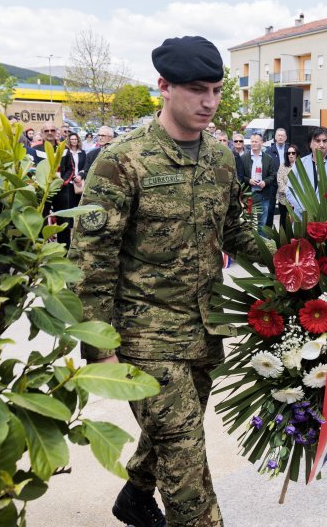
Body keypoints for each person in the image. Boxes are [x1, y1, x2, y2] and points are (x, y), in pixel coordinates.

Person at [69, 35, 263, 527]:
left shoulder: (221, 159)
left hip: (204, 328)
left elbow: (237, 230)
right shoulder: (122, 160)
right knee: (185, 454)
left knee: (175, 430)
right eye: (198, 89)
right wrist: (100, 348)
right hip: (144, 335)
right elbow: (91, 261)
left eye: (217, 90)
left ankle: (134, 497)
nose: (210, 102)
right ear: (164, 86)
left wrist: (298, 261)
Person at [286, 127, 327, 217]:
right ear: (310, 144)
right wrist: (304, 210)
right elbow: (289, 190)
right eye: (317, 141)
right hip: (302, 217)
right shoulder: (300, 164)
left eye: (325, 141)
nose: (322, 145)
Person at [239, 130, 276, 233]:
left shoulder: (268, 158)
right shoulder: (243, 158)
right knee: (248, 221)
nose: (254, 144)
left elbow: (273, 175)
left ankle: (262, 245)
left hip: (263, 194)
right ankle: (249, 244)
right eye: (252, 141)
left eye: (256, 141)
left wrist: (265, 182)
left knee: (262, 222)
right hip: (249, 195)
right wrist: (248, 180)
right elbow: (240, 176)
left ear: (262, 143)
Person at [55, 132, 88, 245]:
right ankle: (69, 229)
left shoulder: (83, 153)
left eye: (75, 139)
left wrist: (80, 175)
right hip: (68, 183)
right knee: (69, 206)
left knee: (79, 206)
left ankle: (78, 229)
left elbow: (85, 167)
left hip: (79, 182)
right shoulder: (66, 152)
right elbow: (66, 167)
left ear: (78, 141)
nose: (74, 141)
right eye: (72, 139)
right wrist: (70, 177)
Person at [264, 128, 290, 226]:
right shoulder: (268, 151)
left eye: (282, 135)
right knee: (270, 209)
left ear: (286, 137)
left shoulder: (290, 150)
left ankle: (283, 235)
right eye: (278, 135)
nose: (280, 137)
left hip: (285, 184)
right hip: (272, 184)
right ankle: (269, 234)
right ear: (275, 137)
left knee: (284, 210)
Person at [275, 144, 298, 227]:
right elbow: (279, 180)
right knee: (284, 220)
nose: (291, 155)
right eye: (289, 153)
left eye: (293, 153)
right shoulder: (283, 165)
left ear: (297, 154)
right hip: (284, 199)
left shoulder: (301, 166)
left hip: (297, 199)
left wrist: (295, 193)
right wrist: (289, 192)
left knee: (296, 221)